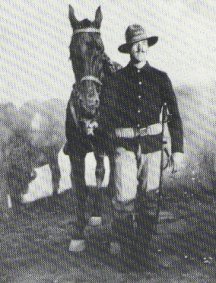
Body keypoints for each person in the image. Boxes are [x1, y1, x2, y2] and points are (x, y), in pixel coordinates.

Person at [100, 24, 184, 266]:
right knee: (124, 201)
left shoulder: (160, 78)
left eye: (143, 43)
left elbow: (175, 117)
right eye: (134, 44)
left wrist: (177, 150)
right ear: (128, 49)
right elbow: (105, 118)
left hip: (153, 148)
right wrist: (111, 147)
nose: (139, 47)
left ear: (147, 46)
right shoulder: (115, 80)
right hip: (124, 147)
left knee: (149, 200)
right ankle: (129, 255)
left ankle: (142, 251)